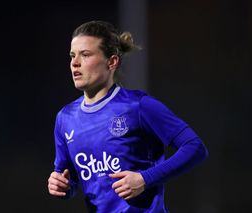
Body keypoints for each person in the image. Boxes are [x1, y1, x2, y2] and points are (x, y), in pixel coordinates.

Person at [47, 20, 208, 213]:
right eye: (72, 55)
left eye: (86, 54)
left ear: (112, 61)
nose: (75, 62)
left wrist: (144, 179)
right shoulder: (65, 118)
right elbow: (70, 177)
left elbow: (195, 147)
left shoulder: (139, 106)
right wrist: (62, 185)